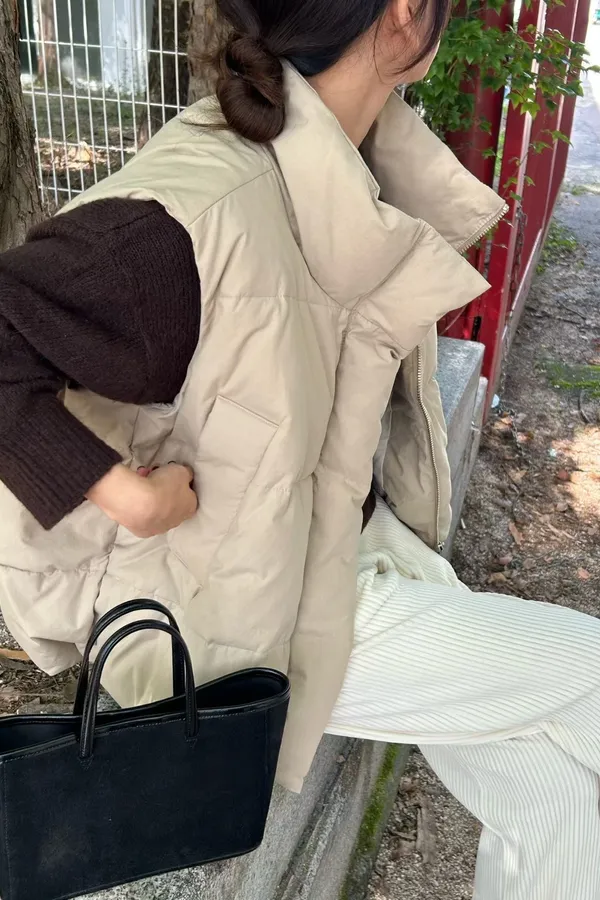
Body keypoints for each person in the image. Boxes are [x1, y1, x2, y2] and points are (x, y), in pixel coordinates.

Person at [0, 1, 599, 897]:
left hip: (327, 542)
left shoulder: (330, 154)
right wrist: (126, 493)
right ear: (404, 15)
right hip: (225, 610)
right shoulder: (193, 212)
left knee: (551, 782)